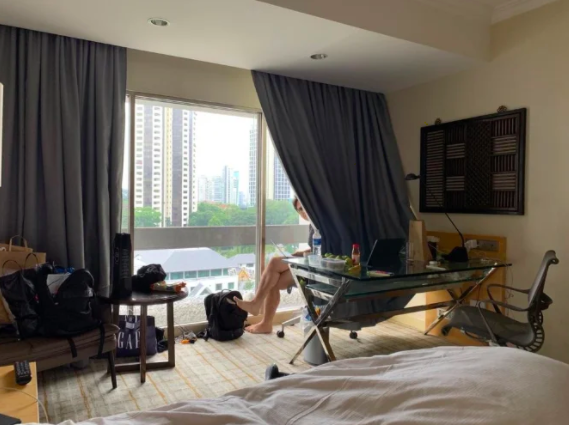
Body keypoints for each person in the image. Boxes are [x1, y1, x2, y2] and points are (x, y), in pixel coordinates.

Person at [234, 197, 313, 334]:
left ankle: (255, 304)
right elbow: (315, 249)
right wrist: (299, 253)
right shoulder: (313, 225)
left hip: (317, 266)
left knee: (274, 262)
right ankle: (266, 323)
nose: (303, 212)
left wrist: (301, 255)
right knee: (273, 280)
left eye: (304, 207)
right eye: (300, 209)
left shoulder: (321, 224)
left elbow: (323, 251)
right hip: (309, 263)